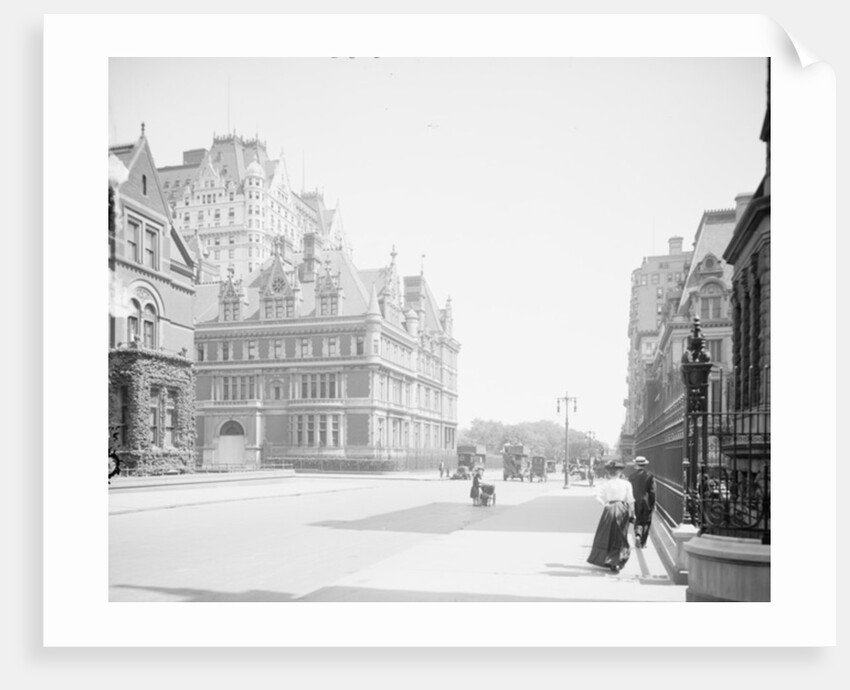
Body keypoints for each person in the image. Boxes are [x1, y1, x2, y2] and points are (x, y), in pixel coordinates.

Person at [587, 461, 635, 573]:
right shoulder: (626, 484)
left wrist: (604, 504)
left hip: (609, 508)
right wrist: (633, 513)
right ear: (619, 472)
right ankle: (617, 561)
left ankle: (609, 559)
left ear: (609, 473)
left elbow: (595, 494)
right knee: (620, 535)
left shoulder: (606, 484)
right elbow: (630, 499)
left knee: (607, 534)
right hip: (622, 509)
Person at [628, 456, 656, 548]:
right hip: (646, 500)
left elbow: (629, 490)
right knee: (646, 521)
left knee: (637, 519)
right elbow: (652, 492)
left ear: (636, 464)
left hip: (635, 500)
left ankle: (637, 535)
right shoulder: (649, 476)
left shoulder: (631, 476)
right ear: (644, 464)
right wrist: (652, 504)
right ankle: (643, 542)